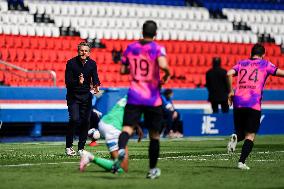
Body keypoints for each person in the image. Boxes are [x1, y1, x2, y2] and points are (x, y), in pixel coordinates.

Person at [111, 20, 171, 179]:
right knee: (154, 135)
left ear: (142, 31)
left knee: (127, 129)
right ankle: (152, 170)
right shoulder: (158, 48)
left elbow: (123, 70)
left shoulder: (131, 48)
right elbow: (164, 65)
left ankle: (122, 148)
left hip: (134, 95)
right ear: (155, 33)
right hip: (153, 98)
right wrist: (167, 75)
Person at [227, 43, 284, 170]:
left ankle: (236, 137)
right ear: (263, 55)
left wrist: (231, 92)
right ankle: (241, 162)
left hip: (238, 101)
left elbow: (229, 73)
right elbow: (280, 73)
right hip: (253, 102)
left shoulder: (242, 63)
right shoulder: (265, 64)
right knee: (250, 135)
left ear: (251, 53)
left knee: (241, 132)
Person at [79, 96, 143, 173]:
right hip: (113, 127)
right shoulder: (145, 97)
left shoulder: (133, 93)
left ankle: (92, 158)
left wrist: (136, 126)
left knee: (116, 164)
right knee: (123, 168)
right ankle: (90, 157)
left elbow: (125, 111)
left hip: (105, 122)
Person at [65, 42, 100, 156]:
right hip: (73, 96)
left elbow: (95, 78)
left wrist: (96, 86)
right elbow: (68, 82)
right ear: (78, 51)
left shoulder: (92, 64)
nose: (83, 53)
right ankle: (69, 146)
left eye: (86, 51)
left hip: (86, 96)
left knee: (86, 121)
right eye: (81, 50)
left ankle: (81, 148)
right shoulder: (71, 63)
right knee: (74, 119)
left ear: (89, 53)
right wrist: (78, 82)